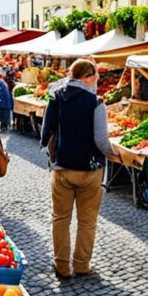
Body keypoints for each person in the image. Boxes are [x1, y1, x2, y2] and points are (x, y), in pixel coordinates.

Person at [39, 59, 114, 280]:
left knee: (60, 218)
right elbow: (101, 139)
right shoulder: (95, 102)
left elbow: (46, 131)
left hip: (62, 167)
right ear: (87, 77)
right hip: (89, 170)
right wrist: (112, 153)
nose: (97, 82)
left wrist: (51, 153)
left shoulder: (56, 96)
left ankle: (62, 265)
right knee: (87, 220)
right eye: (96, 77)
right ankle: (81, 264)